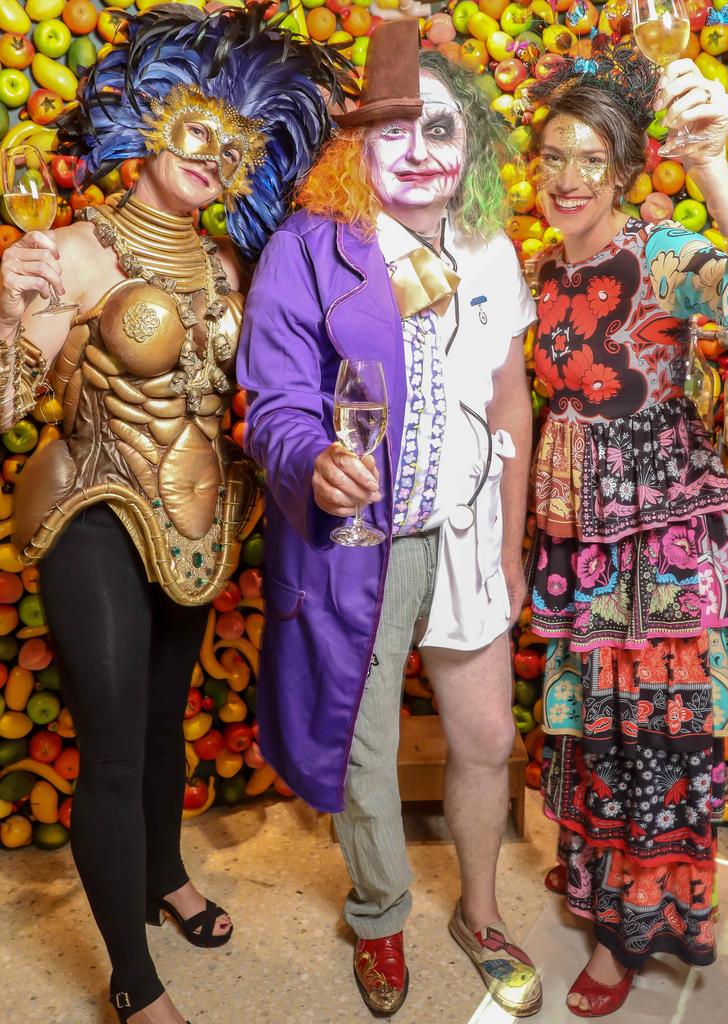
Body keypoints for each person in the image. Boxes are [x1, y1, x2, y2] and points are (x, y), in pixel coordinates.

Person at [0, 8, 347, 1023]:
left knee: (162, 721)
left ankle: (163, 871)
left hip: (200, 524)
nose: (219, 159)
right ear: (154, 121)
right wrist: (12, 316)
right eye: (202, 132)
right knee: (110, 743)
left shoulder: (234, 269)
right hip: (94, 514)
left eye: (240, 150)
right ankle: (132, 978)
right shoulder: (67, 252)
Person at [238, 18, 541, 1018]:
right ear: (354, 147)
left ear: (471, 150)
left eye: (440, 130)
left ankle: (481, 910)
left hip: (458, 535)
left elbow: (508, 402)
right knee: (365, 749)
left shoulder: (491, 250)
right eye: (394, 130)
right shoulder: (308, 248)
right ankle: (380, 916)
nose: (418, 151)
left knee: (488, 734)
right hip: (357, 545)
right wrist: (311, 461)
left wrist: (505, 546)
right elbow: (275, 399)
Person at [524, 40, 728, 1018]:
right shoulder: (541, 269)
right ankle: (596, 883)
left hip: (666, 561)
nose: (569, 177)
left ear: (627, 173)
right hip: (584, 552)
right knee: (596, 743)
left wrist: (710, 165)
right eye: (554, 155)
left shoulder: (665, 255)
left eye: (593, 159)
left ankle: (628, 939)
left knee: (651, 751)